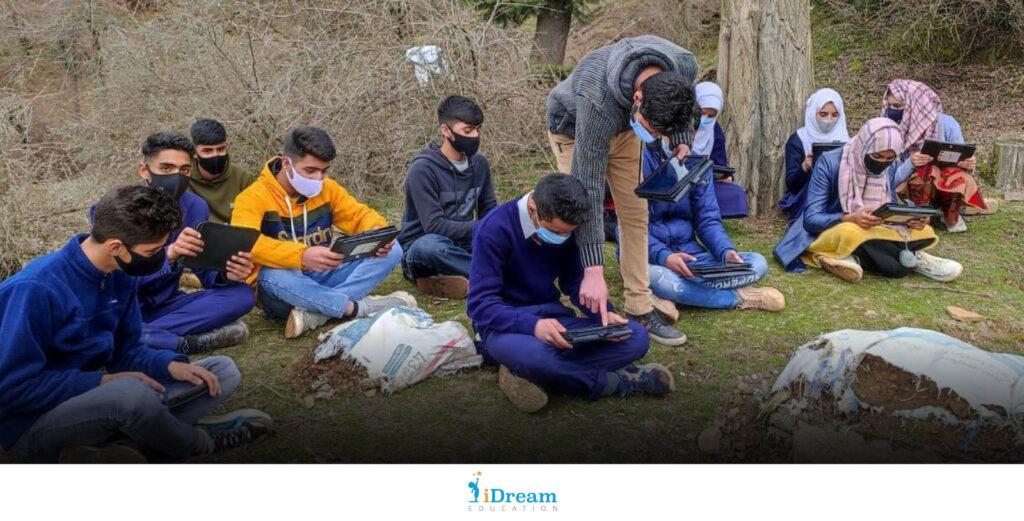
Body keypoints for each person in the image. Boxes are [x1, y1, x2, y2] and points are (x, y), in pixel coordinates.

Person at [0, 185, 272, 463]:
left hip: (103, 396)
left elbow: (127, 352)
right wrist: (102, 382)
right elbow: (11, 389)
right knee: (130, 394)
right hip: (30, 423)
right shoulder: (34, 289)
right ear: (116, 246)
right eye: (153, 250)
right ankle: (197, 443)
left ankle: (123, 445)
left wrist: (169, 365)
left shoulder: (120, 272)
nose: (159, 256)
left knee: (222, 371)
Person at [468, 174, 671, 414]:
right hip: (504, 327)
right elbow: (480, 305)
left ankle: (524, 370)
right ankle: (616, 382)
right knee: (538, 357)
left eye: (568, 233)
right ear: (533, 208)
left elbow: (575, 282)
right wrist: (534, 326)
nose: (562, 237)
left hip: (555, 320)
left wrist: (603, 317)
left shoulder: (568, 224)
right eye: (556, 231)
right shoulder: (493, 229)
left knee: (635, 337)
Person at [546, 34, 696, 346]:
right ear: (638, 97)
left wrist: (681, 137)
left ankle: (639, 307)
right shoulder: (596, 96)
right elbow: (587, 194)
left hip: (627, 129)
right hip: (575, 128)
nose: (654, 137)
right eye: (653, 130)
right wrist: (595, 269)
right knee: (573, 213)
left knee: (636, 212)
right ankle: (582, 292)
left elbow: (681, 107)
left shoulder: (683, 64)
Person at [231, 126, 414, 339]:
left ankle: (319, 312)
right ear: (286, 163)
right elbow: (246, 244)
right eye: (310, 170)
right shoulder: (251, 197)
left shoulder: (328, 188)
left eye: (324, 171)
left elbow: (358, 215)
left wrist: (377, 232)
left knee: (394, 250)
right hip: (282, 289)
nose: (318, 178)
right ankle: (357, 308)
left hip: (324, 275)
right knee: (273, 274)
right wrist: (301, 256)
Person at [99, 131, 255, 354]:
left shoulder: (196, 206)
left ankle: (136, 338)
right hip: (124, 306)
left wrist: (226, 273)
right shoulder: (116, 209)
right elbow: (115, 279)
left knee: (242, 295)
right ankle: (184, 342)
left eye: (184, 170)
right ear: (144, 170)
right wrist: (168, 255)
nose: (177, 176)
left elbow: (204, 267)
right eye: (166, 168)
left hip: (168, 305)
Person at [773, 118, 962, 283]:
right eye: (876, 156)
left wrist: (908, 219)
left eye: (889, 158)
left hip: (875, 226)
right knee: (856, 236)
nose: (882, 163)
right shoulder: (829, 162)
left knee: (926, 230)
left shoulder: (889, 166)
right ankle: (912, 256)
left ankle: (851, 256)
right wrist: (850, 217)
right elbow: (811, 219)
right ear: (864, 146)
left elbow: (890, 204)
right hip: (834, 227)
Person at [642, 144, 784, 312]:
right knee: (662, 279)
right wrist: (665, 256)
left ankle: (670, 294)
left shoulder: (694, 163)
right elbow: (625, 229)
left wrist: (725, 251)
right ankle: (739, 297)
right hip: (647, 258)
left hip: (691, 257)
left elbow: (707, 220)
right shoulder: (635, 160)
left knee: (757, 263)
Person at [398, 95, 497, 299]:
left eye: (478, 129)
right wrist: (483, 227)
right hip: (422, 248)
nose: (475, 136)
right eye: (468, 131)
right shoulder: (422, 169)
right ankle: (495, 277)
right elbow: (434, 226)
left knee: (505, 235)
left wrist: (500, 228)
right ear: (446, 131)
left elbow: (489, 209)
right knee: (431, 247)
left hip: (464, 244)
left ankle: (450, 279)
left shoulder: (480, 164)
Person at [882, 79, 986, 232]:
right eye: (889, 105)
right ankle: (919, 215)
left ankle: (950, 214)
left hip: (947, 182)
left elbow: (963, 160)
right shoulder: (888, 129)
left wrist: (969, 164)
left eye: (898, 106)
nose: (892, 110)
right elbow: (891, 180)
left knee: (959, 177)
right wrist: (911, 162)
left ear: (915, 106)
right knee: (927, 172)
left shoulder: (947, 124)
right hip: (911, 186)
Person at [780, 88, 850, 221]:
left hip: (839, 193)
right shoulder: (799, 140)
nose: (828, 120)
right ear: (813, 113)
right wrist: (804, 167)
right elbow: (791, 184)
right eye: (823, 114)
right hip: (806, 195)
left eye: (834, 115)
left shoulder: (846, 140)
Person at [692, 81, 748, 219]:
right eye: (703, 113)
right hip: (677, 180)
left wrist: (725, 176)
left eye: (711, 116)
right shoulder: (681, 124)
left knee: (735, 193)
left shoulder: (715, 132)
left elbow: (719, 165)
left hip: (705, 181)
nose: (706, 119)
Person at [188, 118, 257, 224]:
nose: (215, 155)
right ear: (194, 152)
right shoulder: (184, 179)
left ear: (227, 147)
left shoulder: (244, 179)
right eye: (207, 151)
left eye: (220, 149)